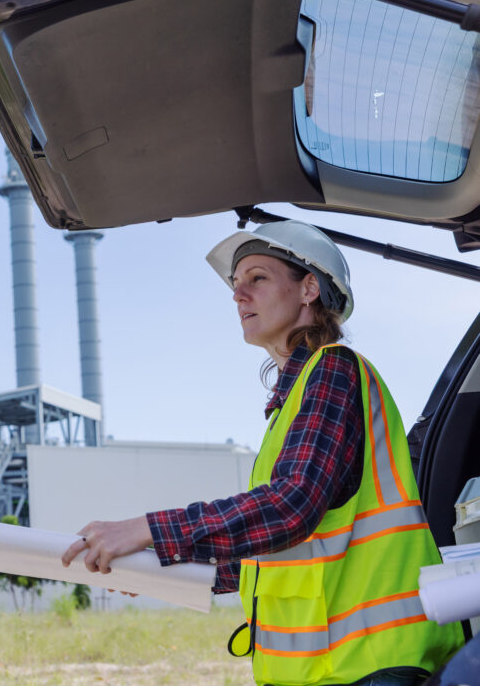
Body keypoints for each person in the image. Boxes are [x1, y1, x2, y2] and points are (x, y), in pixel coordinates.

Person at [60, 220, 462, 686]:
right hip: (333, 669)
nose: (238, 295)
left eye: (257, 278)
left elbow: (292, 506)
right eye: (235, 285)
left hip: (372, 664)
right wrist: (157, 570)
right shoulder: (290, 405)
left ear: (309, 288)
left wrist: (146, 530)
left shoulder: (334, 369)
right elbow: (274, 553)